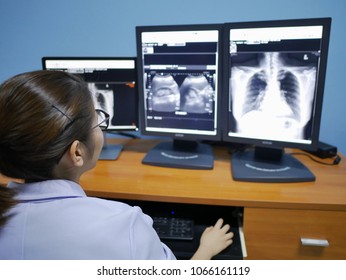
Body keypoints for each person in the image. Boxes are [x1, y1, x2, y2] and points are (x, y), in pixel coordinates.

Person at [0, 70, 233, 260]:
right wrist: (206, 249)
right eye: (98, 120)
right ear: (77, 152)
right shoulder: (124, 224)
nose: (102, 128)